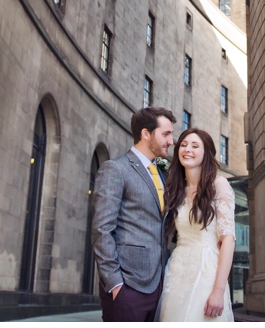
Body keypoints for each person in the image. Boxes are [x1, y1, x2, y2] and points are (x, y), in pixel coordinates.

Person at [91, 107, 176, 322]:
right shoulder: (116, 169)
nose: (171, 141)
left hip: (158, 285)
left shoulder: (163, 174)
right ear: (146, 134)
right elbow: (101, 229)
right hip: (128, 287)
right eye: (166, 134)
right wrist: (115, 283)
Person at [157, 128, 235, 322]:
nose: (187, 149)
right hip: (177, 271)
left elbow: (228, 239)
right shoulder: (174, 190)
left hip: (207, 270)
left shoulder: (219, 184)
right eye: (183, 145)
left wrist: (218, 290)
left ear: (206, 152)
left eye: (194, 146)